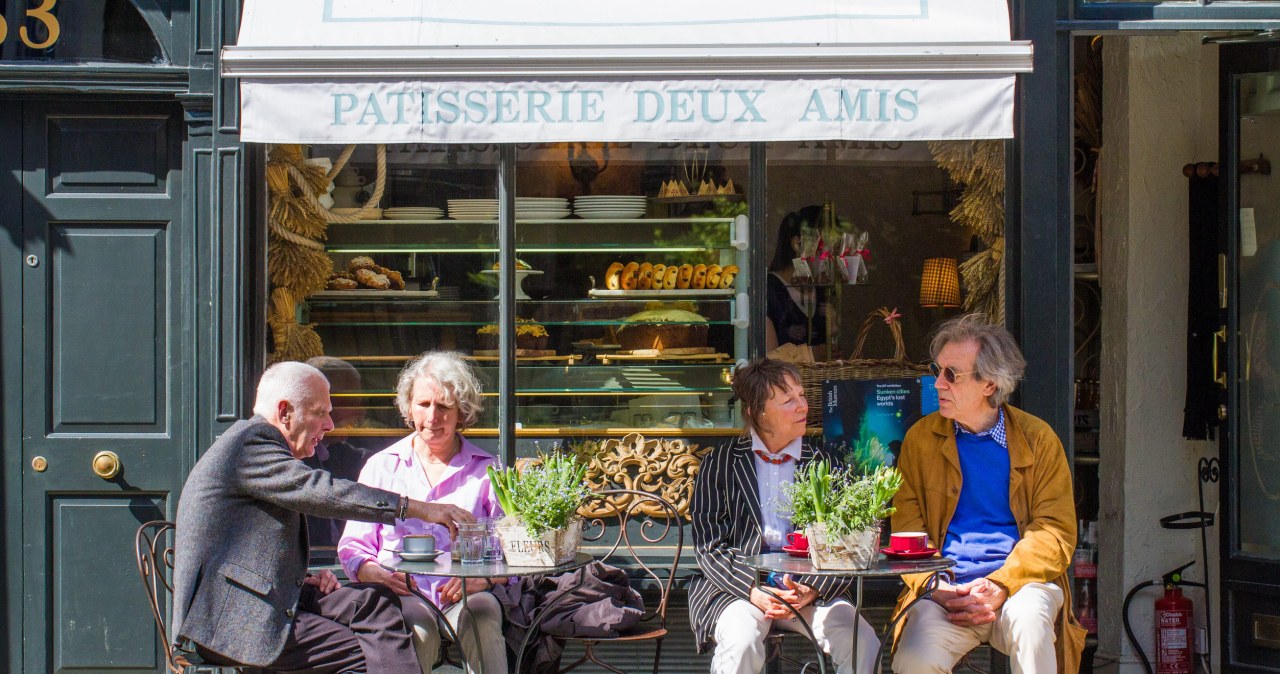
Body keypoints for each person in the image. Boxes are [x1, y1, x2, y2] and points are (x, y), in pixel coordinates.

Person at [172, 360, 474, 673]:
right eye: (320, 412)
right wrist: (421, 508)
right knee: (376, 651)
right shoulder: (251, 442)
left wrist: (299, 577)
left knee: (375, 602)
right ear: (285, 412)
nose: (330, 425)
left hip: (270, 597)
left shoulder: (257, 446)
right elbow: (322, 491)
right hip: (236, 621)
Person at [891, 314, 1086, 674]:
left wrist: (1000, 583)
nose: (938, 383)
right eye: (936, 370)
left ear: (990, 384)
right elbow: (907, 527)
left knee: (1032, 626)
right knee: (914, 660)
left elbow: (1055, 533)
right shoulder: (920, 439)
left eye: (952, 374)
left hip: (1020, 586)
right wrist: (935, 585)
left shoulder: (1038, 439)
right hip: (945, 590)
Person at [689, 357, 879, 674]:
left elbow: (848, 543)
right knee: (741, 641)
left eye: (801, 395)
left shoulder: (826, 463)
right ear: (757, 411)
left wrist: (811, 588)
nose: (803, 406)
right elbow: (709, 546)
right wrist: (754, 590)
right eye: (788, 400)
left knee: (862, 640)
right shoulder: (720, 463)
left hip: (811, 591)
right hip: (739, 590)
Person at [339, 350, 507, 674]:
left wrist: (484, 579)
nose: (432, 417)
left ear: (462, 412)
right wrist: (379, 575)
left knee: (483, 617)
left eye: (444, 406)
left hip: (465, 595)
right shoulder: (381, 467)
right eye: (424, 404)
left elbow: (508, 549)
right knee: (417, 629)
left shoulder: (487, 471)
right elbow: (352, 547)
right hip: (403, 595)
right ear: (409, 407)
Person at [304, 356, 374, 552]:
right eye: (350, 402)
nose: (361, 413)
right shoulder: (288, 457)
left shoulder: (352, 455)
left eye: (361, 402)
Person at [766, 205, 829, 355]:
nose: (827, 255)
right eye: (821, 247)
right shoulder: (770, 289)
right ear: (797, 244)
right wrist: (813, 354)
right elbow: (770, 357)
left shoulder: (820, 289)